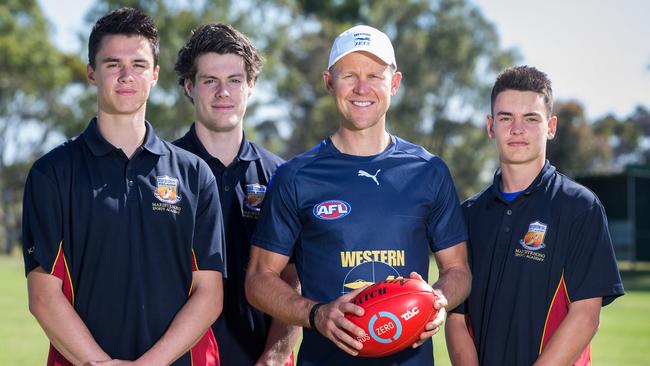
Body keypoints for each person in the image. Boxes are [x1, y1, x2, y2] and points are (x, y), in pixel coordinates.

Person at [245, 25, 471, 365]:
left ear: (394, 84)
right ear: (329, 82)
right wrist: (316, 313)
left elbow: (458, 271)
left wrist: (436, 301)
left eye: (375, 76)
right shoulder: (295, 176)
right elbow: (258, 280)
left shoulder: (429, 171)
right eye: (349, 75)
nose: (362, 88)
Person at [22, 8, 225, 366]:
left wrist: (151, 363)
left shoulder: (195, 175)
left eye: (139, 65)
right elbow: (43, 295)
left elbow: (209, 293)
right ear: (91, 73)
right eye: (113, 64)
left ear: (156, 75)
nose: (126, 76)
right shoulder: (52, 173)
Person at [445, 65, 625, 365]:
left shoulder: (580, 207)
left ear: (550, 126)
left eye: (530, 118)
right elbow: (457, 320)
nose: (517, 129)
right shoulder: (468, 215)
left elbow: (585, 317)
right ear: (490, 126)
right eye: (506, 118)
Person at [173, 23, 300, 366]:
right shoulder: (160, 173)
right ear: (189, 86)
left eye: (234, 80)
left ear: (251, 86)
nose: (222, 92)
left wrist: (273, 358)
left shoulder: (282, 176)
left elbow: (294, 282)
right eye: (209, 81)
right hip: (180, 357)